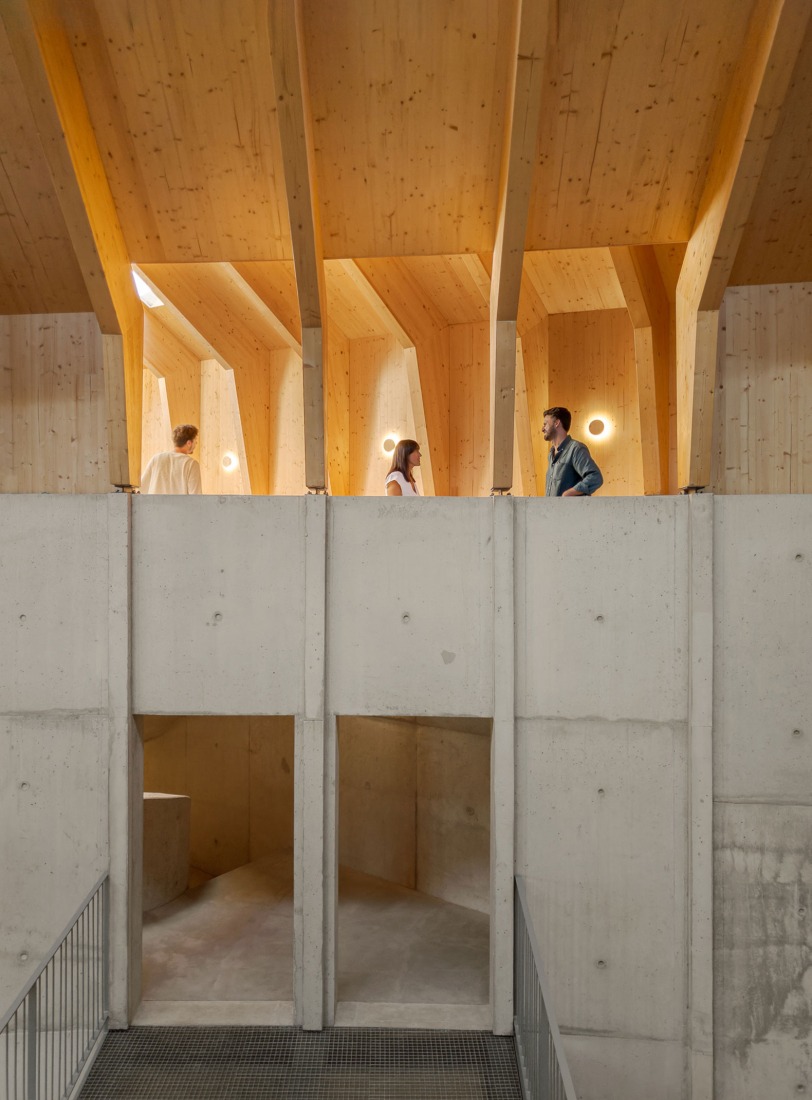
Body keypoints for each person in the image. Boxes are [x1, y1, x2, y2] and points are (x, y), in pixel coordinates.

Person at [543, 407, 603, 497]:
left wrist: (569, 493)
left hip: (571, 510)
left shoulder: (576, 449)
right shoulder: (551, 455)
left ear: (556, 423)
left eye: (545, 424)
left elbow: (595, 477)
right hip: (553, 510)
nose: (542, 429)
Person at [140, 424, 203, 495]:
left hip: (154, 506)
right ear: (189, 443)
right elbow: (196, 498)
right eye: (195, 441)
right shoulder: (191, 464)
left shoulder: (156, 459)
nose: (196, 444)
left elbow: (141, 489)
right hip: (179, 506)